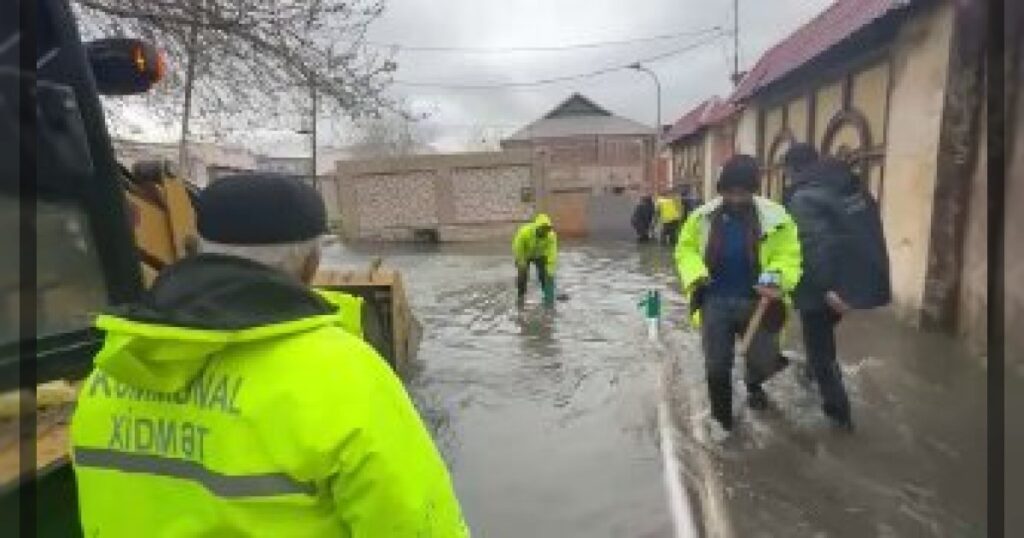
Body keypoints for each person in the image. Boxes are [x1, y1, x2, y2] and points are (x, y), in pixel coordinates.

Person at [70, 174, 469, 537]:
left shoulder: (112, 368)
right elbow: (417, 525)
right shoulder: (343, 375)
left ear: (195, 245)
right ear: (312, 262)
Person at [675, 155, 802, 431]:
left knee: (764, 361)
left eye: (742, 192)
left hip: (758, 303)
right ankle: (723, 424)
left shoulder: (777, 218)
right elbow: (684, 250)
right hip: (714, 302)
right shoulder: (701, 217)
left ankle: (754, 384)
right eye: (729, 191)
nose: (735, 198)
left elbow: (789, 255)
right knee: (717, 367)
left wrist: (776, 276)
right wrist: (696, 273)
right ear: (721, 190)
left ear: (753, 190)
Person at [784, 144, 891, 430]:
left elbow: (813, 245)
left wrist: (825, 288)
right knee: (821, 341)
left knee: (822, 356)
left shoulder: (804, 196)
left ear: (793, 169)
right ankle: (808, 376)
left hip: (820, 289)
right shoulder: (848, 186)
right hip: (849, 284)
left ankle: (839, 419)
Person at [513, 213, 558, 308]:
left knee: (545, 275)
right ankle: (521, 295)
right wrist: (521, 262)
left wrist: (550, 272)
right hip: (524, 254)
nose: (546, 232)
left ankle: (548, 295)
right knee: (523, 274)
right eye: (544, 229)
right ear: (538, 227)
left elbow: (552, 254)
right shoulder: (525, 232)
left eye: (548, 229)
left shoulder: (551, 236)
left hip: (540, 255)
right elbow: (517, 247)